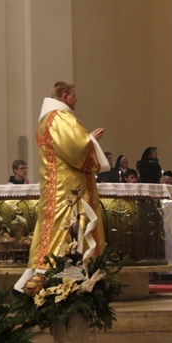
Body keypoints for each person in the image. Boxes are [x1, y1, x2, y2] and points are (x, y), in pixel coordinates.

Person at [15, 81, 108, 291]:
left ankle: (52, 281)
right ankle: (62, 284)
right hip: (69, 189)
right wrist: (91, 142)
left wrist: (88, 140)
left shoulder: (48, 119)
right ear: (65, 96)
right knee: (68, 233)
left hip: (58, 187)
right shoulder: (60, 117)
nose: (76, 99)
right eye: (74, 95)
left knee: (62, 232)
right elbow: (77, 149)